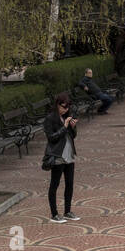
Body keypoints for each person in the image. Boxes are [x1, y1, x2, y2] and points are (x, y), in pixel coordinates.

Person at [41, 92, 80, 223]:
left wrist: (73, 127)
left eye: (67, 107)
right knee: (55, 184)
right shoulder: (50, 118)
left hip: (69, 155)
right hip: (57, 156)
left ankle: (68, 211)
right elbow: (52, 138)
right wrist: (64, 127)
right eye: (63, 107)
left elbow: (72, 136)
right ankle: (54, 214)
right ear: (57, 105)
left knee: (70, 184)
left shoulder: (67, 116)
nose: (65, 109)